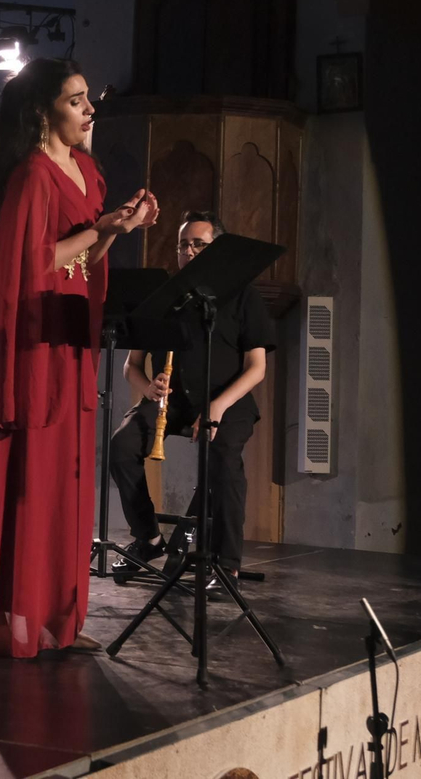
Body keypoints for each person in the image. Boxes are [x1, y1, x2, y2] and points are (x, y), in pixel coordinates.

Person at [0, 57, 156, 659]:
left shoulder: (88, 171)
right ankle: (20, 619)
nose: (90, 109)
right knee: (29, 478)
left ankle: (60, 618)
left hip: (66, 336)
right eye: (76, 99)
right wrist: (101, 229)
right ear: (44, 113)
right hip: (26, 339)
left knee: (66, 475)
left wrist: (119, 225)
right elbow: (31, 265)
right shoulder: (33, 176)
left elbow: (85, 260)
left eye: (89, 98)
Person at [108, 211, 274, 589]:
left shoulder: (244, 295)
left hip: (227, 403)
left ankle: (225, 563)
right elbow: (131, 366)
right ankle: (148, 538)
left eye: (200, 244)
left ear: (219, 250)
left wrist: (216, 408)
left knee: (224, 461)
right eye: (184, 245)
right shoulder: (167, 298)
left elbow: (257, 368)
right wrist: (148, 386)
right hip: (177, 401)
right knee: (122, 444)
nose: (190, 251)